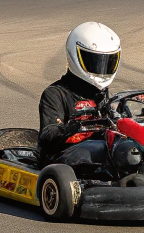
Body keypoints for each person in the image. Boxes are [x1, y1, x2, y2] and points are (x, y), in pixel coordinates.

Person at [38, 22, 121, 171]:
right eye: (95, 63)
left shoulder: (100, 94)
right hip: (66, 159)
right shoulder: (55, 93)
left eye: (107, 63)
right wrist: (79, 127)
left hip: (99, 151)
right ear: (75, 55)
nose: (101, 70)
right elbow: (48, 136)